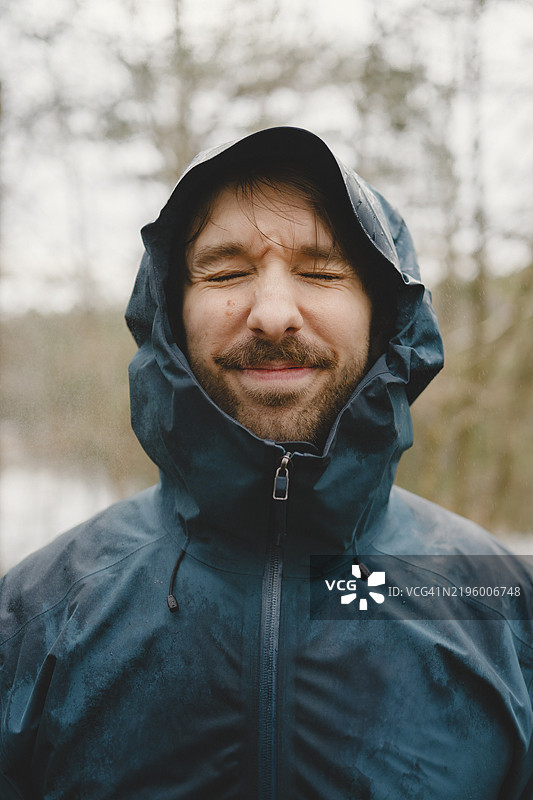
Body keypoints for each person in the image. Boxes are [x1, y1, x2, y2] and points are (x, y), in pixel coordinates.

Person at [1, 126, 532, 799]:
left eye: (320, 271)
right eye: (224, 272)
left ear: (382, 319)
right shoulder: (34, 615)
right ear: (170, 318)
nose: (274, 314)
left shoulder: (502, 611)